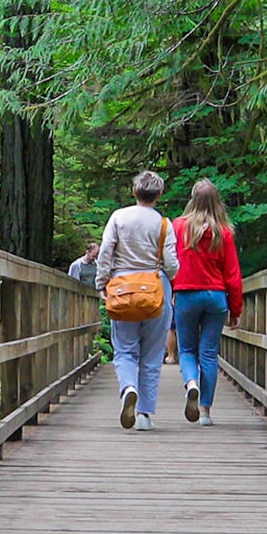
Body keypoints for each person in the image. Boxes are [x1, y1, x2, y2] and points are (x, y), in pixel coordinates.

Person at [97, 170, 179, 430]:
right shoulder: (164, 224)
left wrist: (102, 283)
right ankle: (144, 414)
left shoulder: (118, 217)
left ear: (134, 192)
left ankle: (128, 387)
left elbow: (106, 252)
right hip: (155, 289)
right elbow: (173, 265)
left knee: (124, 349)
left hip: (122, 289)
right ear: (159, 194)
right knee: (153, 354)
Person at [170, 179, 242, 425]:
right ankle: (205, 412)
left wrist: (170, 289)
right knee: (209, 354)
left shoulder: (178, 227)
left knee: (187, 350)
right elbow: (233, 274)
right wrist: (236, 309)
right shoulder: (224, 232)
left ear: (192, 199)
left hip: (187, 294)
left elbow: (170, 262)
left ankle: (191, 384)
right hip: (216, 296)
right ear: (217, 201)